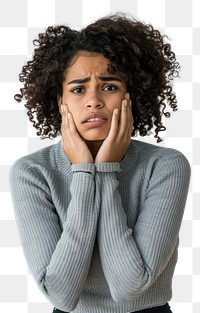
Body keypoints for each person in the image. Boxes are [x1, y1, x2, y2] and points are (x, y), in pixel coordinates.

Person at [9, 13, 190, 313]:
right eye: (78, 89)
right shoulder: (32, 173)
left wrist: (104, 172)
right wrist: (84, 172)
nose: (93, 100)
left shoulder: (166, 166)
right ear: (59, 101)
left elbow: (130, 286)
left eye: (109, 86)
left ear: (130, 95)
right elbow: (62, 295)